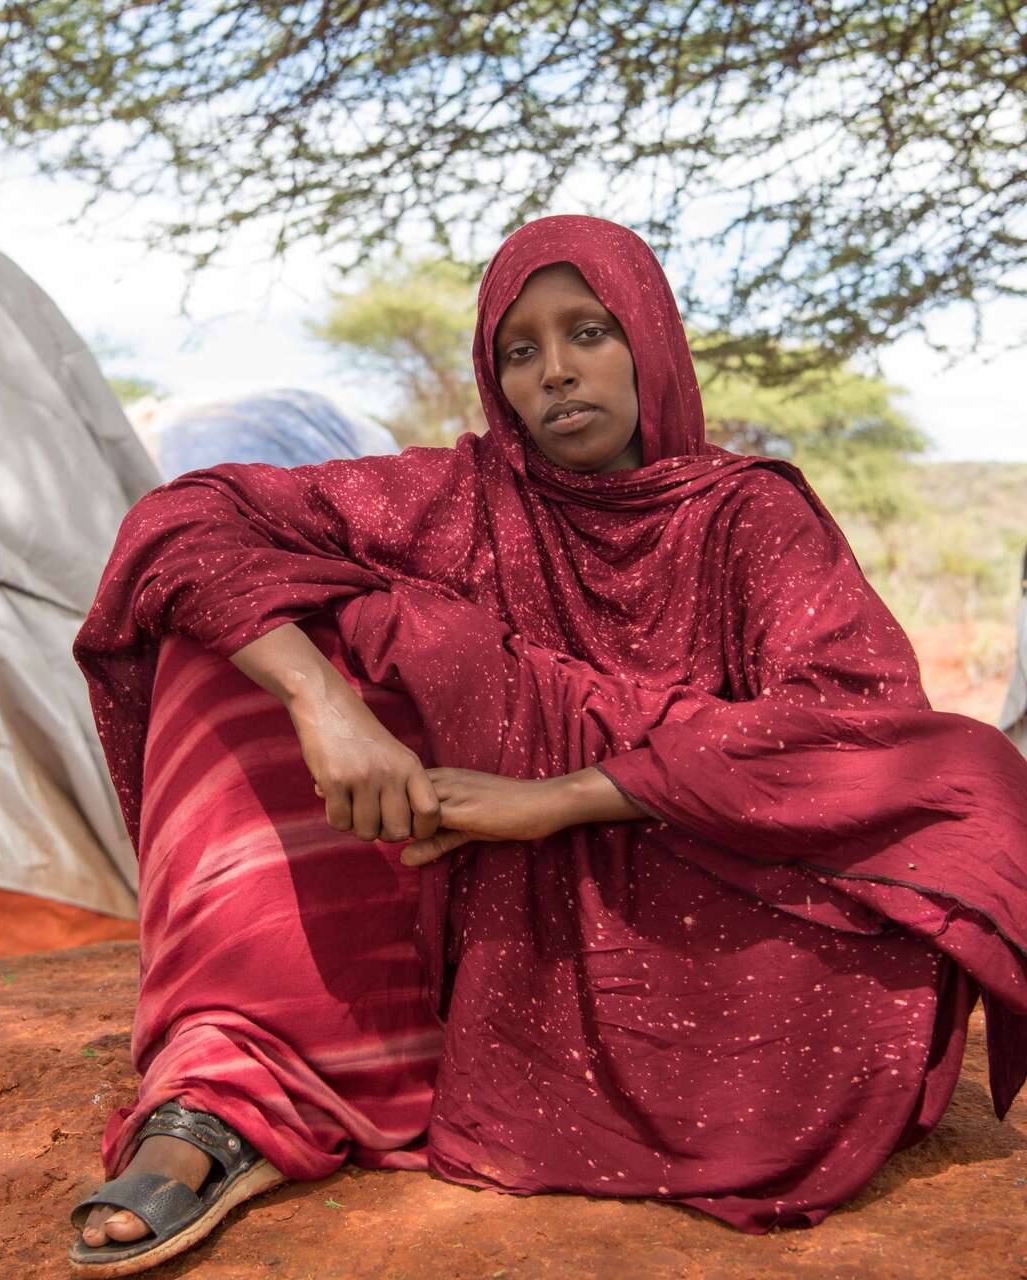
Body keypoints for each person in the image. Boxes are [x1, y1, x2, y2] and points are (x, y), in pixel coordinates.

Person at [68, 216, 1027, 1274]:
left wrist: (561, 792)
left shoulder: (743, 512)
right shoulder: (463, 498)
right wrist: (320, 702)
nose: (554, 373)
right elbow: (180, 519)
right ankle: (231, 1086)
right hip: (478, 869)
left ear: (648, 341)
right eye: (518, 351)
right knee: (229, 639)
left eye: (587, 332)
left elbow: (851, 713)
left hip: (675, 858)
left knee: (972, 776)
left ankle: (482, 1060)